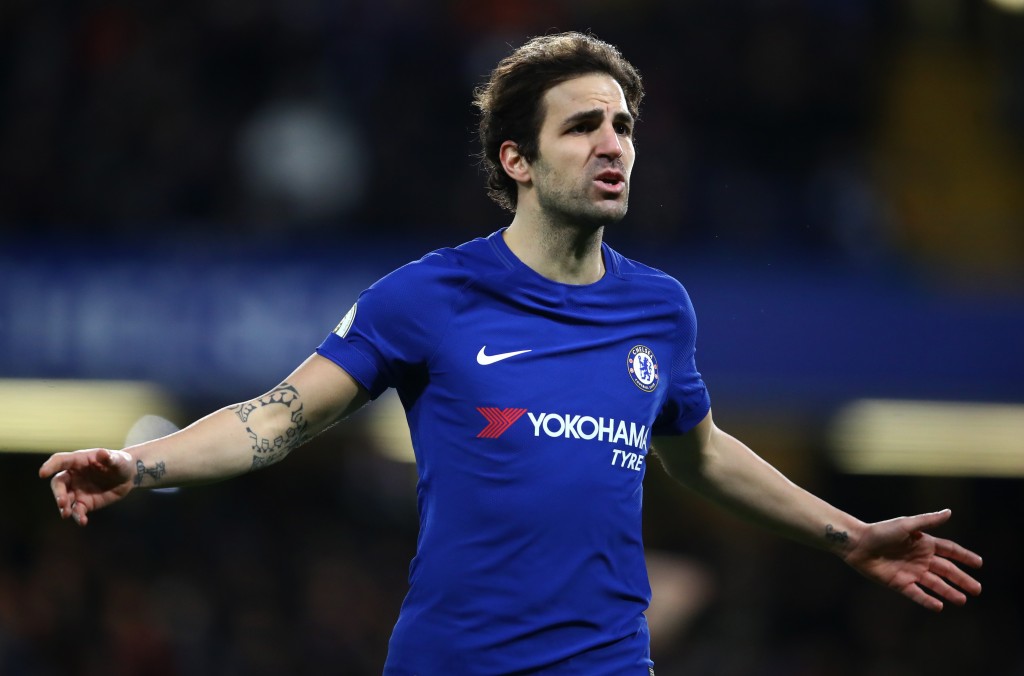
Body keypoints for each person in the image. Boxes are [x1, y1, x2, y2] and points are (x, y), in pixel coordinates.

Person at [40, 31, 982, 675]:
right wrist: (139, 462)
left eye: (623, 126)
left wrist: (849, 534)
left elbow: (698, 450)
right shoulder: (429, 296)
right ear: (516, 161)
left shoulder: (660, 308)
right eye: (583, 126)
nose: (614, 145)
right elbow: (275, 421)